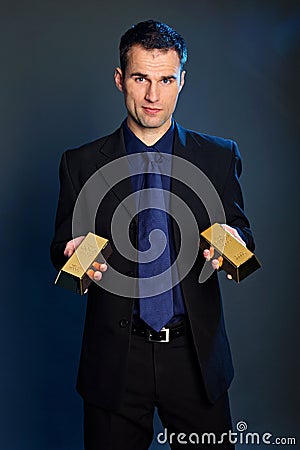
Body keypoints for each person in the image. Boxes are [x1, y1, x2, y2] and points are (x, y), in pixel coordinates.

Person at [50, 19, 255, 449]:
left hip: (195, 358)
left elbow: (244, 240)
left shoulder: (218, 157)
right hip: (116, 361)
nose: (153, 96)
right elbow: (62, 247)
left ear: (182, 80)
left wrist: (231, 243)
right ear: (120, 79)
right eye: (141, 78)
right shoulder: (81, 163)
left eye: (166, 80)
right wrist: (71, 256)